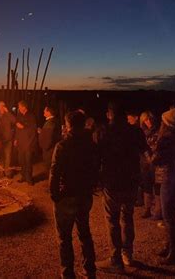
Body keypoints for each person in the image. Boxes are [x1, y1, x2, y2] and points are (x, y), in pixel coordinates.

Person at [96, 103, 148, 272]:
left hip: (112, 181)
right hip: (131, 180)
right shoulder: (135, 131)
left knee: (112, 220)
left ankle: (115, 259)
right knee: (127, 217)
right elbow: (143, 150)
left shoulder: (103, 131)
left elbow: (95, 156)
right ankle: (128, 255)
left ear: (110, 114)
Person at [50, 110, 100, 279]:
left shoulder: (63, 146)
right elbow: (96, 167)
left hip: (67, 196)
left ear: (69, 125)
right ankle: (90, 270)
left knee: (64, 238)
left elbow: (55, 172)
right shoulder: (91, 145)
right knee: (84, 233)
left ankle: (68, 274)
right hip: (84, 195)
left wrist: (54, 194)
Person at [151, 108, 175, 264]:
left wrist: (151, 154)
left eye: (162, 121)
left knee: (169, 217)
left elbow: (156, 160)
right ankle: (170, 246)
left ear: (166, 123)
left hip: (168, 179)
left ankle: (174, 254)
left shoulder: (165, 138)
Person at [139, 111, 158, 218]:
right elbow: (141, 146)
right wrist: (147, 155)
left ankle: (157, 209)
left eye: (150, 119)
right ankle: (147, 208)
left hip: (155, 161)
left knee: (156, 184)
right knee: (146, 184)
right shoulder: (141, 132)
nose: (149, 121)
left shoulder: (158, 130)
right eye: (146, 119)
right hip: (145, 162)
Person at [14, 100, 37, 185]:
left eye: (19, 107)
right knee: (21, 161)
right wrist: (16, 139)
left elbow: (33, 129)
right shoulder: (19, 116)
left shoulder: (31, 116)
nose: (18, 108)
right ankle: (23, 176)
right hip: (20, 143)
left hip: (28, 143)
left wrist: (23, 127)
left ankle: (29, 179)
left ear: (24, 107)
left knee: (28, 162)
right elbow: (17, 129)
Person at [38, 105, 61, 180]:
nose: (43, 112)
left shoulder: (51, 122)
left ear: (49, 112)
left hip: (49, 149)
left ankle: (51, 184)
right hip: (50, 148)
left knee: (49, 167)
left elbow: (49, 137)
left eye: (45, 110)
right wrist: (42, 132)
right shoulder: (51, 121)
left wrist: (45, 147)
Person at [0, 101, 16, 173]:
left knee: (8, 156)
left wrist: (7, 112)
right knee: (1, 157)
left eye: (3, 106)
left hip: (8, 139)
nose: (2, 107)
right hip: (0, 139)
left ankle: (7, 173)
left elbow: (14, 120)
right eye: (0, 106)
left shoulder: (8, 115)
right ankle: (1, 172)